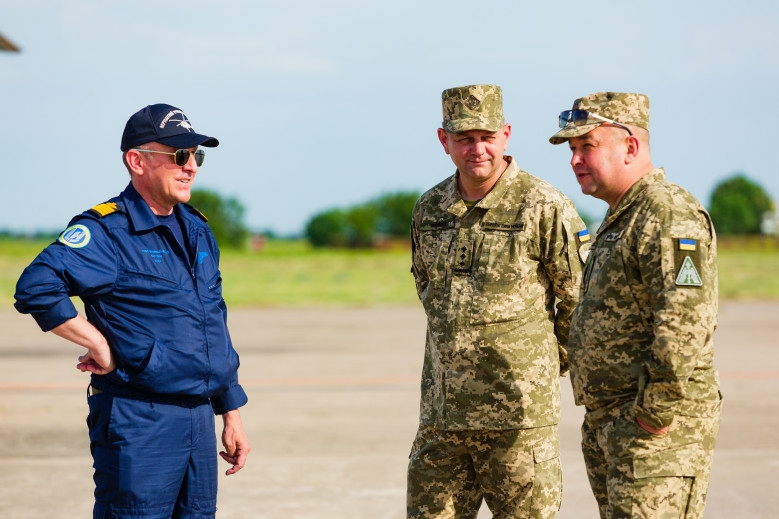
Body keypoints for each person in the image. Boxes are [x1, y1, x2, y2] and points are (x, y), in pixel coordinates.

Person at [14, 103, 250, 518]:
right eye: (179, 155)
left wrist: (230, 411)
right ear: (137, 161)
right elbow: (36, 287)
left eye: (197, 156)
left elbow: (211, 320)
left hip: (198, 418)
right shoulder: (107, 231)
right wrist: (96, 342)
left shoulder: (197, 230)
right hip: (139, 420)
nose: (191, 166)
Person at [407, 84, 589, 518]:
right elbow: (427, 288)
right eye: (464, 138)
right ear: (443, 140)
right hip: (443, 420)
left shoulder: (544, 206)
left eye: (486, 137)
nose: (477, 149)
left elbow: (580, 303)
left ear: (506, 135)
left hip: (518, 422)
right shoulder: (429, 209)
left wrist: (543, 363)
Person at [549, 92, 722, 518]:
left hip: (652, 436)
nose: (575, 160)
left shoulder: (666, 212)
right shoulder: (622, 215)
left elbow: (686, 320)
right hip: (614, 426)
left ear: (631, 146)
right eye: (572, 149)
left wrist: (653, 414)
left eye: (587, 146)